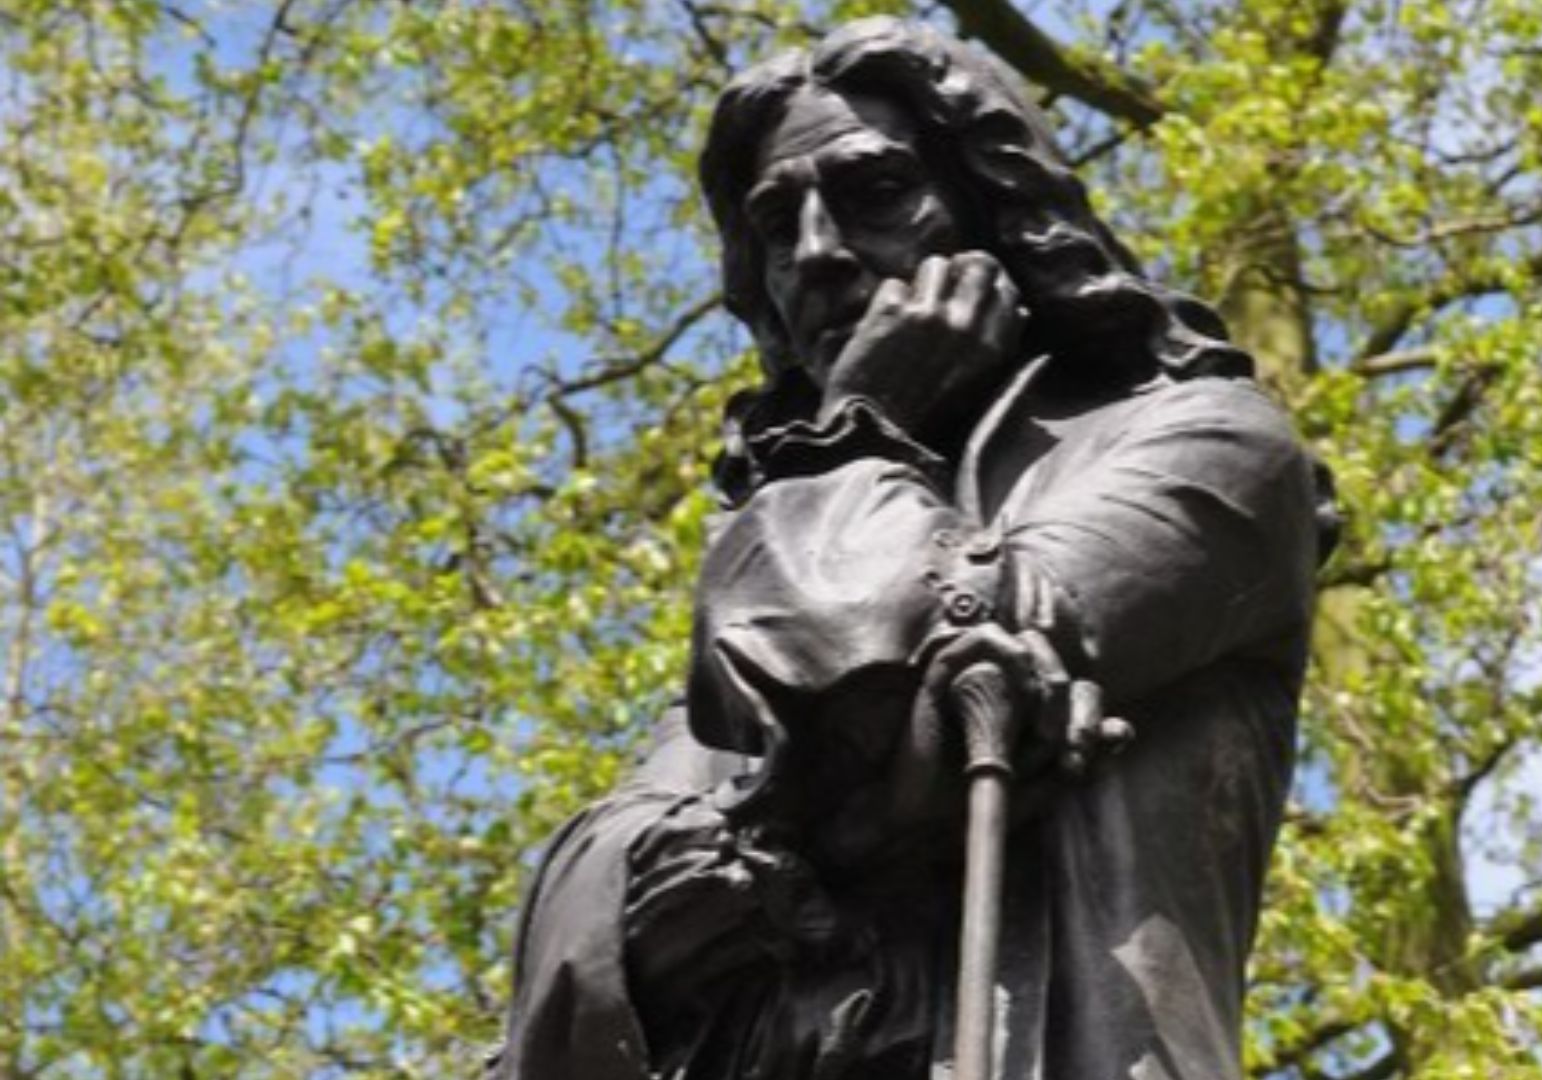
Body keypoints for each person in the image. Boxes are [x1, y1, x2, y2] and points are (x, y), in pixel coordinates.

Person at [490, 18, 1337, 1080]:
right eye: (776, 226)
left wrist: (860, 428)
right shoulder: (772, 565)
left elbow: (891, 717)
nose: (820, 257)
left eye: (876, 194)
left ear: (1001, 214)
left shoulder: (1207, 448)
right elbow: (603, 902)